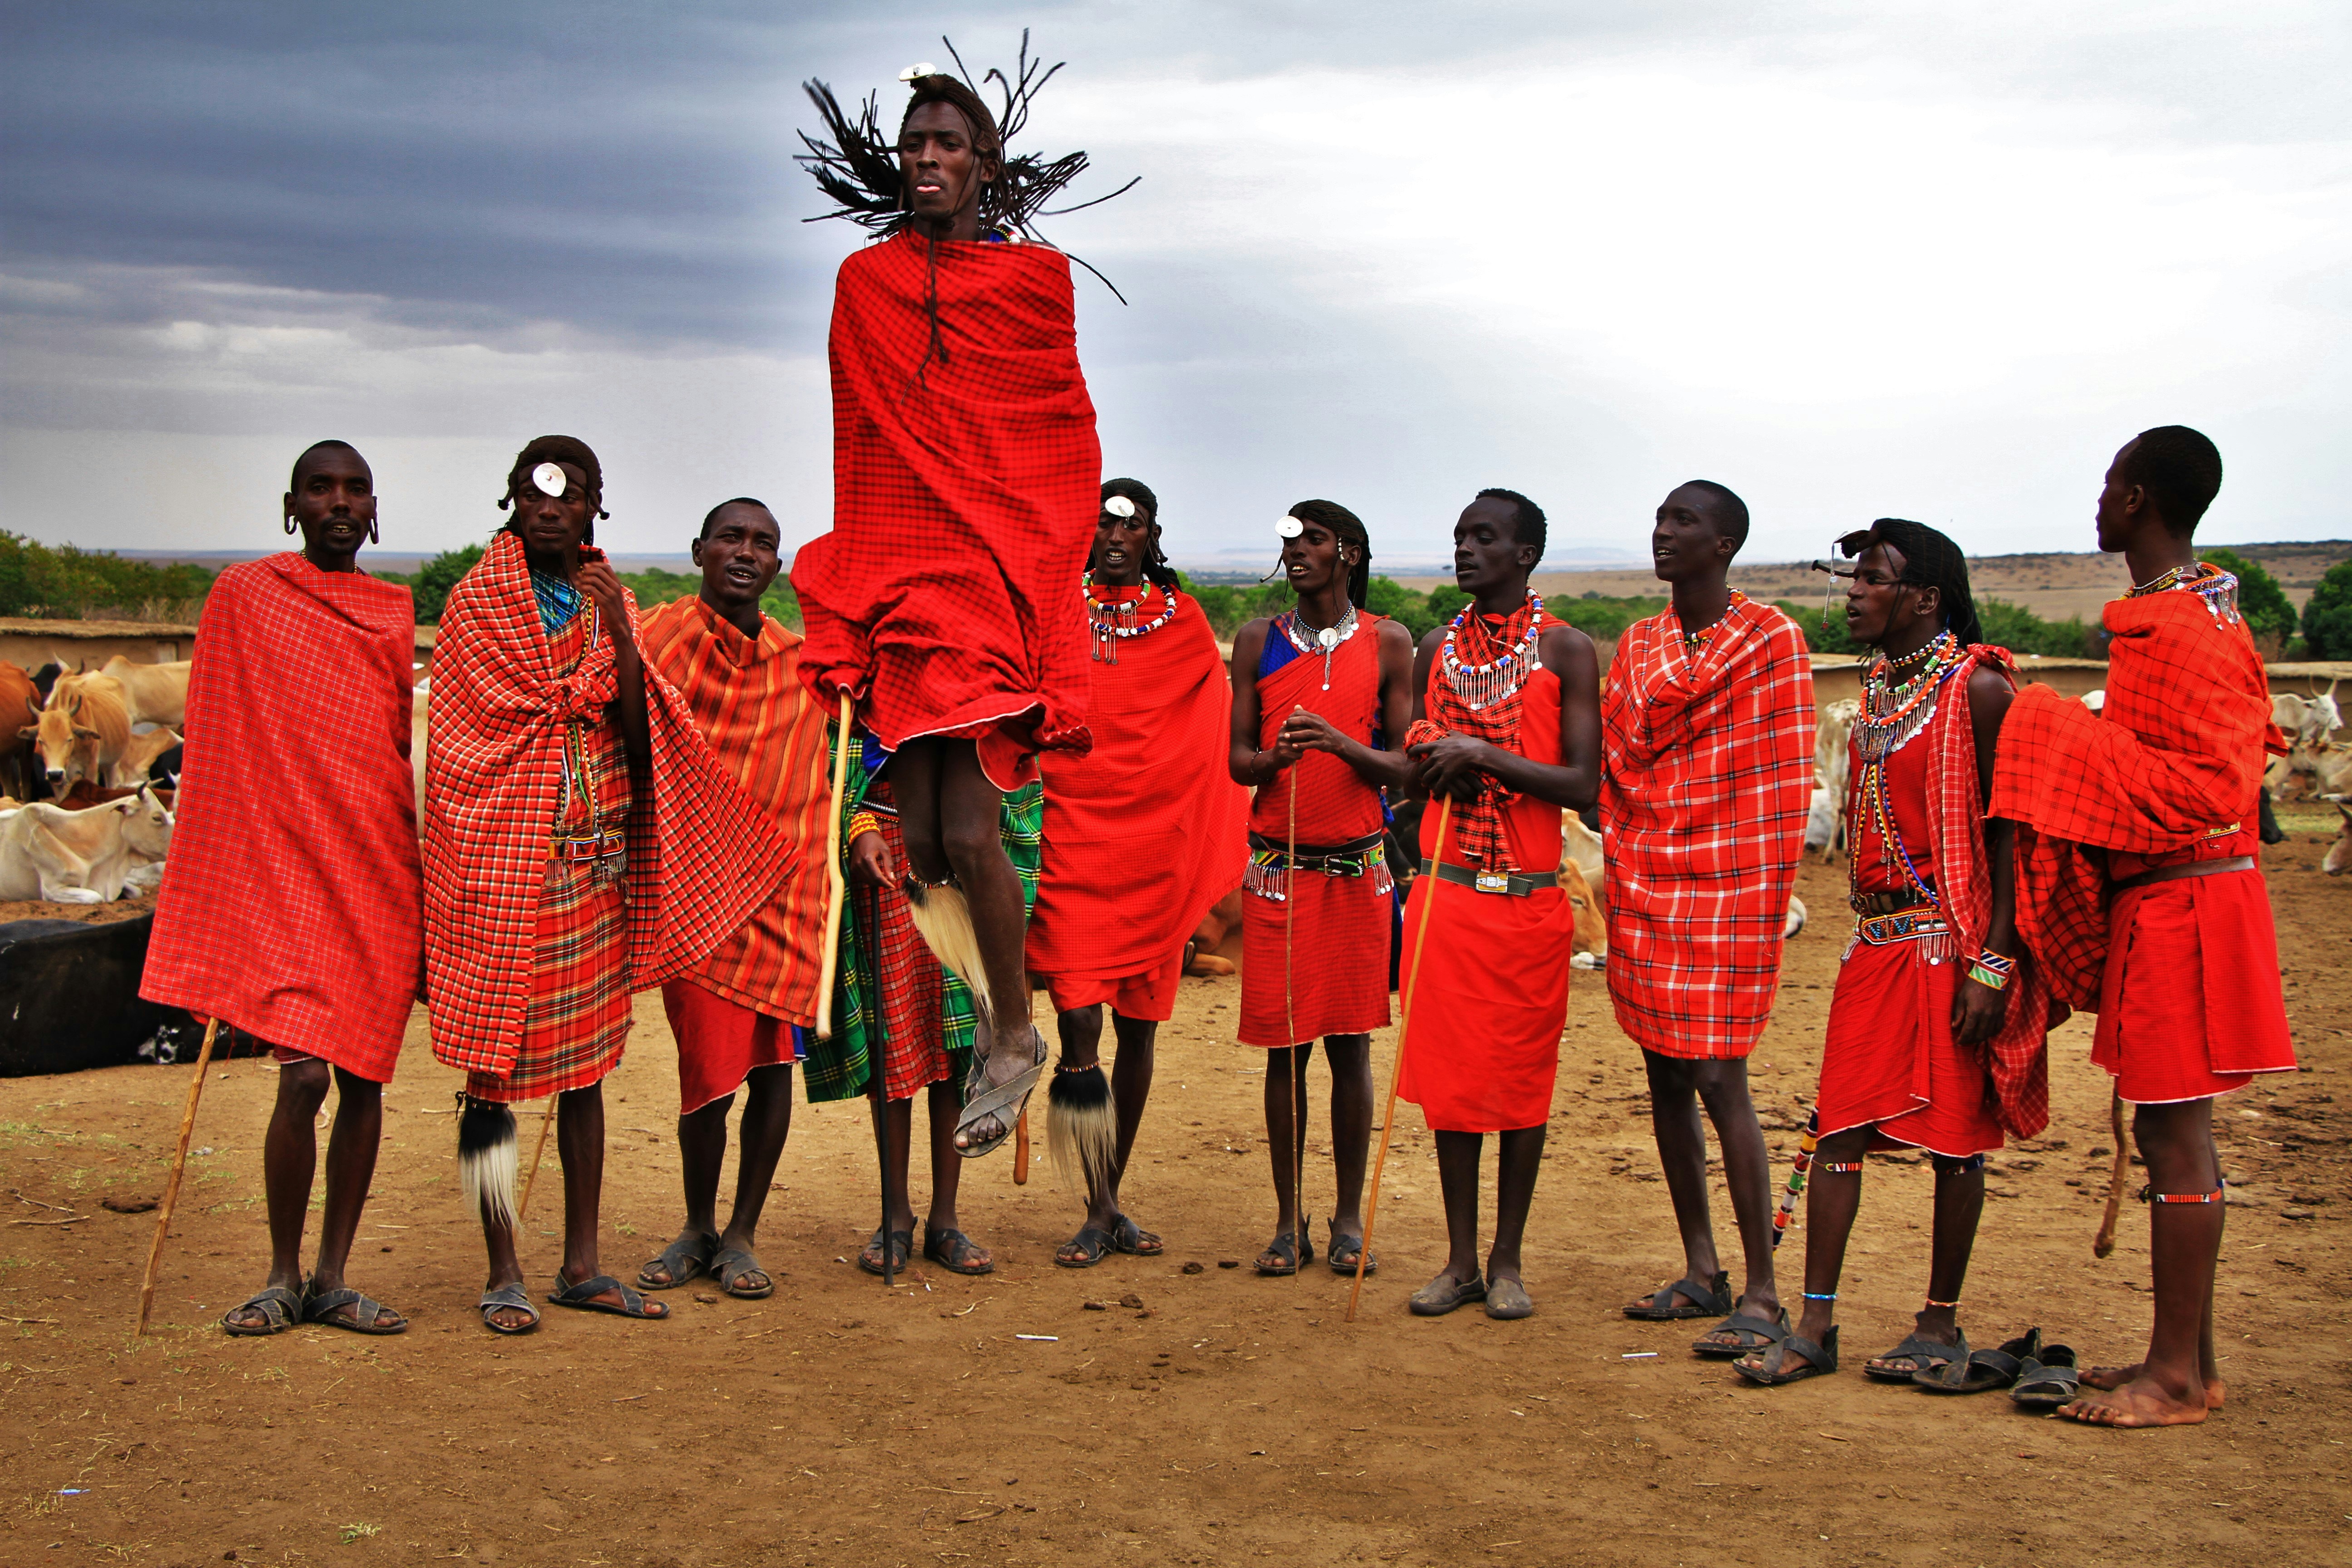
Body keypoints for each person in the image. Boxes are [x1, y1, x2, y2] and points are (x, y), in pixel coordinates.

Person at [792, 61, 1113, 1162]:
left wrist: (1037, 572)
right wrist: (858, 586)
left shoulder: (1034, 281)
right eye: (912, 145)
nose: (925, 159)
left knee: (971, 828)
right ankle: (998, 1014)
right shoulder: (863, 280)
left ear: (983, 162)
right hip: (899, 569)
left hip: (995, 573)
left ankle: (1016, 1035)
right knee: (923, 838)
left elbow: (1057, 433)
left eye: (945, 144)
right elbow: (857, 435)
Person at [423, 436, 784, 1333]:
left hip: (594, 865)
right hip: (497, 865)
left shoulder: (611, 603)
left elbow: (637, 731)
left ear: (595, 508)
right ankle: (502, 1267)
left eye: (571, 494)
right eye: (536, 493)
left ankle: (580, 1263)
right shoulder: (474, 606)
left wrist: (620, 636)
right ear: (512, 501)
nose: (552, 508)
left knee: (584, 1075)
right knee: (491, 1080)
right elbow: (464, 746)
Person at [1990, 427, 2296, 1426]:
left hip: (2193, 898)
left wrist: (2052, 728)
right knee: (2176, 1126)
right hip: (2175, 897)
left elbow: (2214, 784)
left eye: (2110, 483)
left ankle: (2173, 1379)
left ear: (2138, 499)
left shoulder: (2187, 631)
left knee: (2175, 1131)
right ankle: (2189, 1366)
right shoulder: (2181, 617)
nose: (2099, 498)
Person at [1732, 519, 2050, 1386]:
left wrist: (1992, 963)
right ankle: (1813, 1326)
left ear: (1923, 598)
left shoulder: (1976, 690)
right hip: (1873, 945)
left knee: (1954, 1144)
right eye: (1854, 577)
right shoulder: (1878, 690)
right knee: (1837, 1129)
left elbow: (2009, 838)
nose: (1854, 591)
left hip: (1949, 945)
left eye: (1872, 578)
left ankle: (1937, 1327)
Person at [143, 440, 420, 1337]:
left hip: (374, 867)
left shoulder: (391, 611)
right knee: (300, 1077)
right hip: (286, 869)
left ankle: (334, 1278)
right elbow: (221, 730)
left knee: (364, 1079)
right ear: (291, 505)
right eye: (321, 488)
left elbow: (391, 747)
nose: (339, 502)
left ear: (373, 508)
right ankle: (280, 1272)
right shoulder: (247, 597)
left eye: (354, 489)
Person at [1602, 480, 1814, 1352]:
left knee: (1720, 1078)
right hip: (1644, 875)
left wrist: (1732, 864)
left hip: (1728, 884)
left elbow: (1777, 775)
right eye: (1657, 518)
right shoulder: (1638, 641)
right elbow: (1617, 758)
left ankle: (1761, 1289)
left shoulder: (1771, 640)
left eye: (1681, 522)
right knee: (1661, 1075)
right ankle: (1700, 1269)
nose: (1661, 534)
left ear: (1723, 542)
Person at [1026, 479, 1248, 1266]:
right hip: (1069, 840)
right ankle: (1094, 1199)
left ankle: (1106, 1200)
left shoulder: (1182, 621)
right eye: (1104, 521)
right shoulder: (1053, 608)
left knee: (1140, 1028)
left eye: (1133, 524)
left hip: (1152, 849)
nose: (1117, 534)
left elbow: (1207, 724)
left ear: (1153, 536)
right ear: (1085, 532)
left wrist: (1190, 823)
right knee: (1078, 1023)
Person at [1395, 490, 1601, 1319]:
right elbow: (1412, 761)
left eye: (1483, 538)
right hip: (1445, 900)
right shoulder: (1435, 649)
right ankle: (1457, 1261)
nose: (1464, 551)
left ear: (1525, 555)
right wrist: (1428, 752)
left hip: (1524, 904)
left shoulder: (1566, 651)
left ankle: (1506, 1259)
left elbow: (1583, 783)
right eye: (1457, 538)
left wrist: (1482, 751)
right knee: (1450, 1085)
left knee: (1518, 1083)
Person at [633, 498, 832, 1301]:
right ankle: (696, 1224)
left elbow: (823, 770)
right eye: (730, 538)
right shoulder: (654, 644)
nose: (745, 553)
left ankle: (744, 1231)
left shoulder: (801, 664)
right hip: (693, 892)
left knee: (773, 1070)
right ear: (698, 551)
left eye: (762, 544)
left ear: (776, 566)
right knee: (706, 1073)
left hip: (786, 892)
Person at [1227, 500, 1415, 1275]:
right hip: (1278, 871)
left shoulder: (1390, 642)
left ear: (1349, 553)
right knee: (1284, 1051)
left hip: (1356, 871)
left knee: (1349, 1048)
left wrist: (1338, 743)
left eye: (1312, 540)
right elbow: (1237, 760)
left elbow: (1405, 765)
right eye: (1288, 541)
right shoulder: (1254, 642)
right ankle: (1285, 1220)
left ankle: (1343, 1219)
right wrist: (1272, 760)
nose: (1296, 551)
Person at [806, 727, 1044, 1279]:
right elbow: (836, 752)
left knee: (957, 1040)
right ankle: (894, 1216)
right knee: (896, 1037)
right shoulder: (878, 667)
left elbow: (1011, 769)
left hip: (965, 869)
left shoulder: (978, 676)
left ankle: (946, 1219)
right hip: (887, 862)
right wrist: (860, 826)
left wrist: (982, 850)